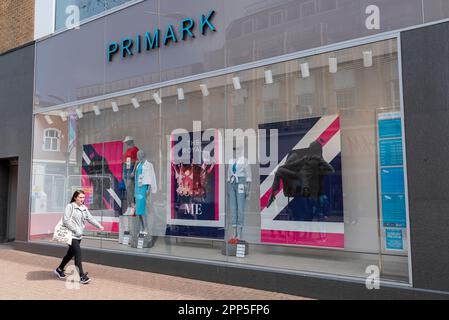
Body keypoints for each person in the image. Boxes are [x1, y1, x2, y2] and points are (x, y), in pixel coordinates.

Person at [54, 190, 104, 284]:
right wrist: (75, 230)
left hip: (79, 236)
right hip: (71, 235)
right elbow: (65, 221)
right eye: (80, 197)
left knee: (70, 254)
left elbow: (90, 218)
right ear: (75, 197)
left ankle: (59, 269)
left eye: (83, 197)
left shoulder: (84, 208)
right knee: (78, 255)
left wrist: (99, 226)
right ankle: (81, 276)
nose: (82, 199)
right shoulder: (70, 206)